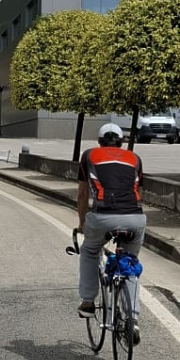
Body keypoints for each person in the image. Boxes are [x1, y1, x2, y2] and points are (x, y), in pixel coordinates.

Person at [76, 124, 145, 340]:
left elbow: (82, 194)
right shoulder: (135, 158)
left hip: (103, 216)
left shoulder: (89, 155)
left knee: (89, 250)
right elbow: (137, 190)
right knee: (129, 263)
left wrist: (82, 223)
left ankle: (88, 302)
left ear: (99, 142)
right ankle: (132, 319)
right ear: (122, 142)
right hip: (135, 217)